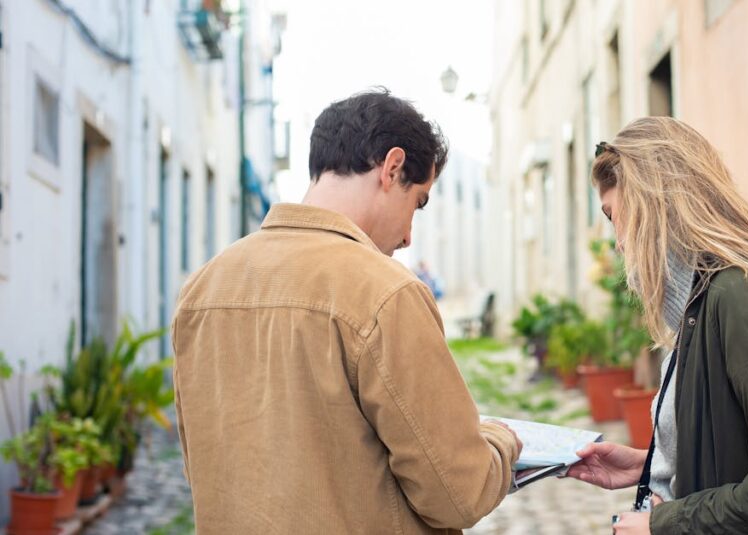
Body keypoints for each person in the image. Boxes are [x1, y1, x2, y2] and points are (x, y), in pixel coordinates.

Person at [172, 88, 521, 533]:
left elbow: (202, 468)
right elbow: (459, 493)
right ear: (392, 168)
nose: (409, 236)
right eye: (418, 202)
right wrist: (498, 441)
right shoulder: (385, 292)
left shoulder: (202, 290)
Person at [566, 116, 748, 534]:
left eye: (614, 216)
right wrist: (650, 462)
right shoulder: (698, 303)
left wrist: (664, 525)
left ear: (653, 205)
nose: (617, 241)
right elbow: (728, 445)